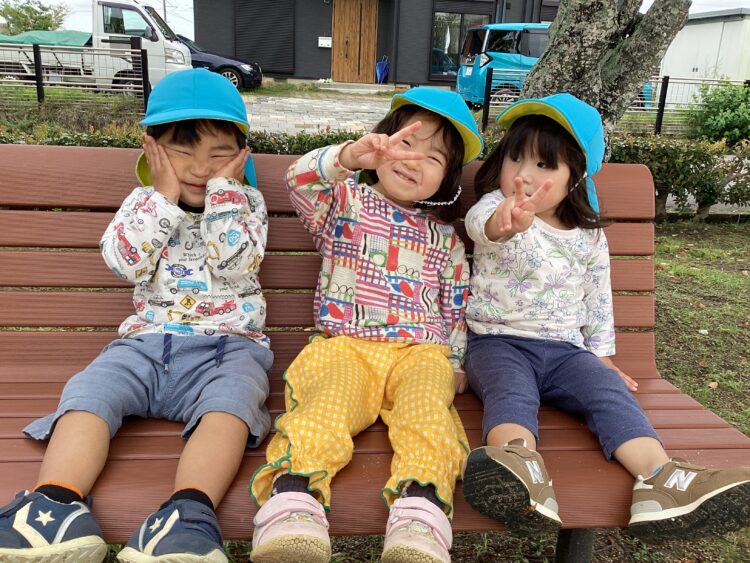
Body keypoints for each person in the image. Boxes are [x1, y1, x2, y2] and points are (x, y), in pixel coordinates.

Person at [0, 68, 272, 563]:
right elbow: (125, 262)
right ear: (152, 148)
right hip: (145, 345)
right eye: (182, 151)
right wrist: (162, 198)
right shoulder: (143, 204)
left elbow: (237, 265)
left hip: (228, 348)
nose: (200, 167)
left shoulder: (245, 204)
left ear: (241, 155)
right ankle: (53, 505)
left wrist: (224, 195)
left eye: (218, 154)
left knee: (232, 405)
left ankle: (187, 515)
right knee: (89, 391)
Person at [461, 92, 750, 542]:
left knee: (609, 393)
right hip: (499, 341)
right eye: (515, 158)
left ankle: (660, 479)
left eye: (544, 165)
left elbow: (597, 296)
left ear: (575, 175)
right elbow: (483, 228)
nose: (523, 174)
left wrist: (600, 355)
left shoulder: (587, 235)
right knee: (510, 393)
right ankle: (518, 469)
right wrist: (506, 221)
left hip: (566, 350)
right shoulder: (495, 206)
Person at [248, 88, 483, 563]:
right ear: (381, 142)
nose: (414, 161)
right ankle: (294, 504)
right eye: (406, 143)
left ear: (447, 178)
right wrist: (348, 157)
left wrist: (456, 361)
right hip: (347, 344)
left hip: (419, 351)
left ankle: (420, 514)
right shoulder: (344, 203)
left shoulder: (444, 238)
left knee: (427, 416)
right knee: (324, 407)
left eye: (434, 157)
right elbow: (299, 181)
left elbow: (456, 304)